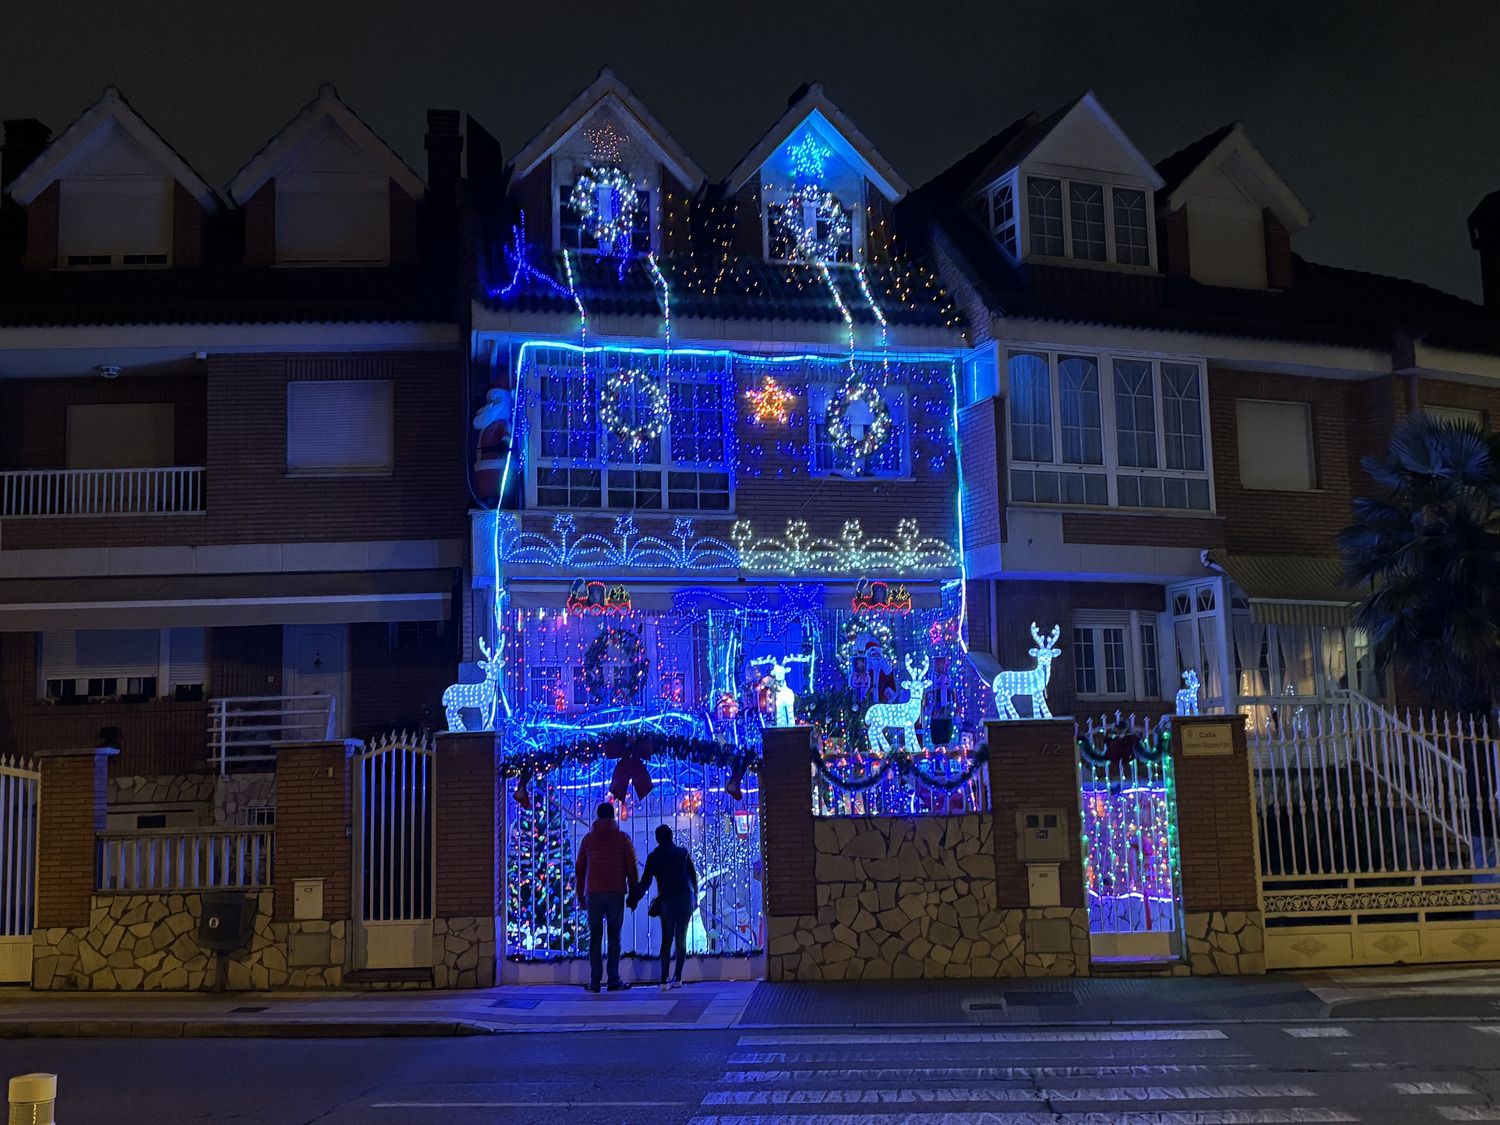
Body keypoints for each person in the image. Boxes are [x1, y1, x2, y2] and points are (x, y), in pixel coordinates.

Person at [574, 802, 640, 993]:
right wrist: (634, 892)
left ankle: (595, 982)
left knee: (595, 938)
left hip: (593, 892)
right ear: (613, 817)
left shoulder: (588, 840)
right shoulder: (622, 839)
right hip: (616, 891)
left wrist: (580, 895)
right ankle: (613, 979)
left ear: (597, 816)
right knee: (614, 937)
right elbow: (631, 868)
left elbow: (580, 870)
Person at [630, 825, 699, 991]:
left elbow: (645, 883)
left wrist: (634, 898)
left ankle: (663, 979)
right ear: (671, 836)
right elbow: (692, 876)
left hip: (667, 900)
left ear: (657, 838)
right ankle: (678, 978)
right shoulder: (682, 853)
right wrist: (694, 897)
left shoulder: (654, 857)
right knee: (681, 937)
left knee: (667, 939)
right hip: (684, 898)